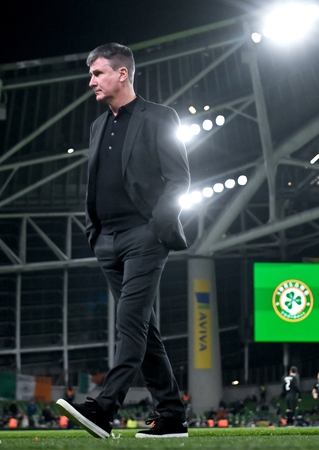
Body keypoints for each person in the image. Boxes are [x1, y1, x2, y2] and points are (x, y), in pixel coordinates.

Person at [56, 42, 190, 440]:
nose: (91, 81)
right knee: (145, 331)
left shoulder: (159, 117)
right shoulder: (98, 125)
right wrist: (93, 230)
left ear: (122, 73)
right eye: (92, 74)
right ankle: (171, 416)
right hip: (106, 240)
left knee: (129, 322)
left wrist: (156, 228)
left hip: (144, 236)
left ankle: (104, 407)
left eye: (97, 73)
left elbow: (180, 178)